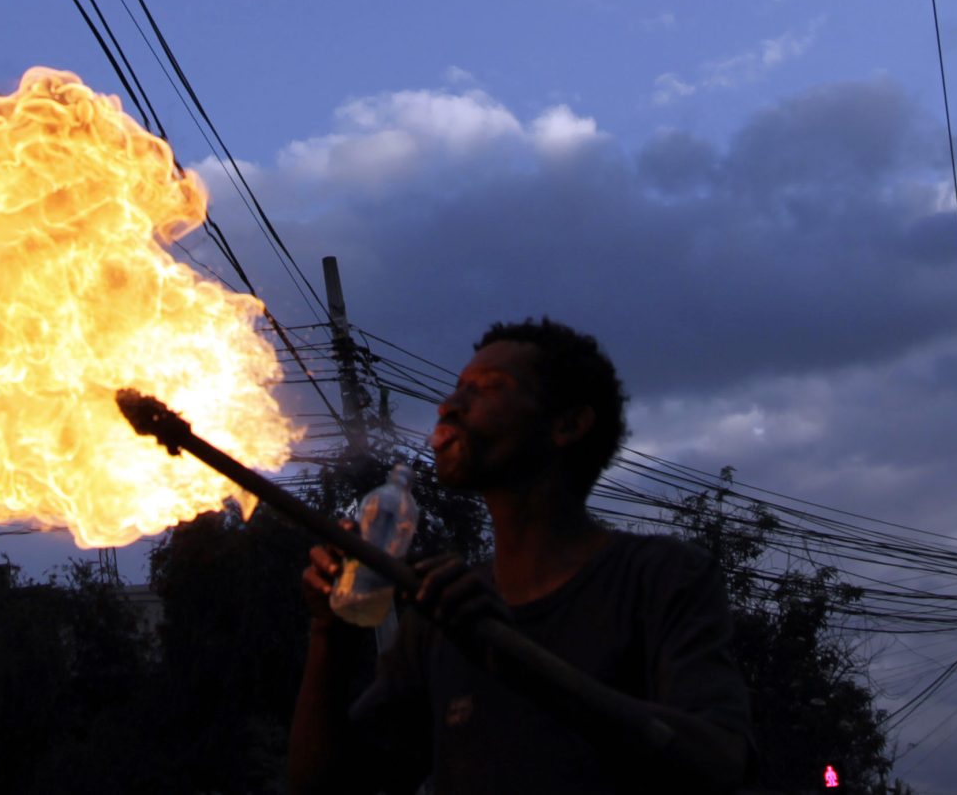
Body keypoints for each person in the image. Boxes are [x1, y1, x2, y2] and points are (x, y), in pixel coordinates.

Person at [287, 318, 754, 794]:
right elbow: (324, 785)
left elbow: (716, 761)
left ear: (568, 424)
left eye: (489, 388)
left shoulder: (661, 578)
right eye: (457, 389)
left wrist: (517, 660)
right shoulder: (440, 619)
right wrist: (330, 634)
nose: (449, 406)